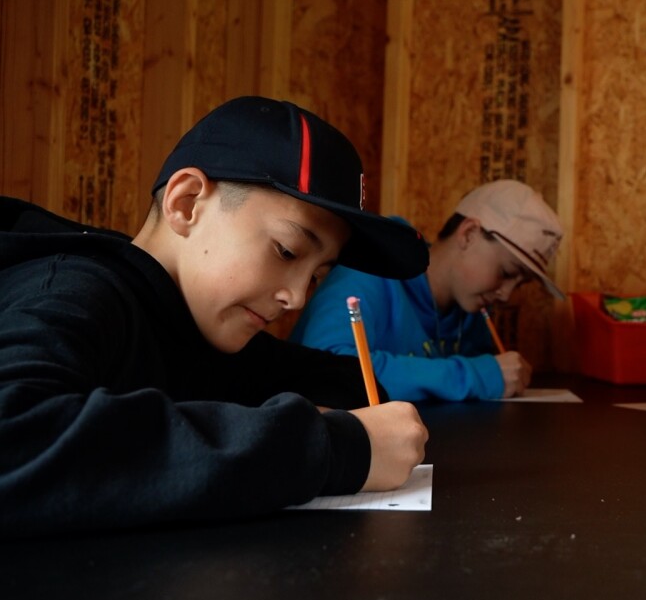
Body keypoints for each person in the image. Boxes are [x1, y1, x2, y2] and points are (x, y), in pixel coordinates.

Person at [0, 96, 431, 537]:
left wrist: (326, 426)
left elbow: (349, 383)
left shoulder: (202, 326)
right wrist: (331, 448)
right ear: (186, 203)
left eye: (317, 277)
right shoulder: (75, 292)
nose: (297, 297)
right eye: (287, 251)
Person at [291, 180, 564, 402]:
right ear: (468, 233)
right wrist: (475, 376)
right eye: (506, 273)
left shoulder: (471, 310)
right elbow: (325, 371)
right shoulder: (371, 268)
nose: (505, 295)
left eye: (520, 284)